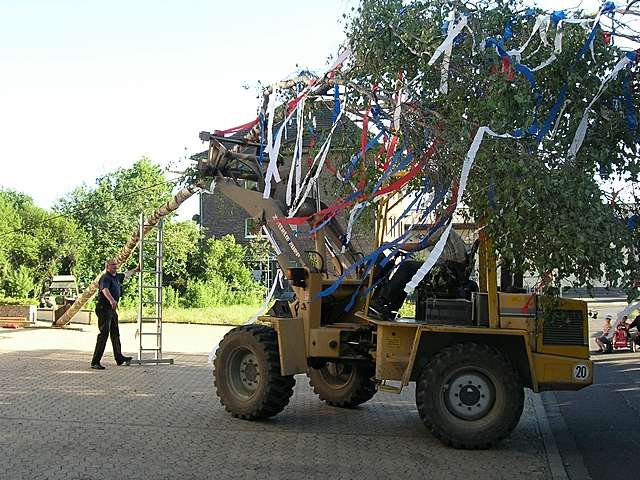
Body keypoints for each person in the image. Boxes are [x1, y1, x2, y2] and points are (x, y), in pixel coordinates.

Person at [90, 259, 138, 370]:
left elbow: (126, 274)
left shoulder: (116, 277)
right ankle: (95, 362)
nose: (115, 266)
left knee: (115, 334)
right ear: (107, 267)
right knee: (104, 334)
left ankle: (119, 358)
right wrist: (112, 300)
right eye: (112, 265)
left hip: (112, 310)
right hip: (103, 308)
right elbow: (104, 290)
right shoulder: (105, 277)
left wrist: (136, 270)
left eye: (115, 264)